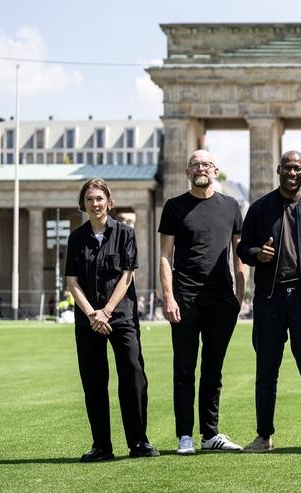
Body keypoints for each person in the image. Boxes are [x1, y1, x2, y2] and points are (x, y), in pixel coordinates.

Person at [237, 150, 301, 453]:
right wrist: (258, 254)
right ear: (278, 170)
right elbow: (243, 248)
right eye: (287, 168)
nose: (292, 173)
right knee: (266, 372)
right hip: (269, 300)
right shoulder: (259, 209)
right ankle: (264, 436)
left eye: (298, 168)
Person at [159, 150, 247, 455]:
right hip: (185, 297)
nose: (201, 168)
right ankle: (185, 435)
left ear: (215, 170)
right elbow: (164, 256)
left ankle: (211, 434)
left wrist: (240, 295)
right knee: (184, 367)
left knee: (213, 368)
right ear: (187, 171)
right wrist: (168, 296)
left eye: (206, 164)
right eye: (195, 164)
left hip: (222, 298)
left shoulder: (231, 206)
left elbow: (240, 255)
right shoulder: (174, 207)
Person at [65, 178, 158, 462]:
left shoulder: (126, 233)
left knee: (133, 377)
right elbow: (72, 281)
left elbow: (127, 275)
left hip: (121, 317)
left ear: (109, 201)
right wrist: (92, 313)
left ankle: (138, 443)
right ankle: (101, 446)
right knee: (94, 382)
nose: (95, 204)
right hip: (88, 320)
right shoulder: (76, 238)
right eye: (90, 199)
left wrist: (106, 311)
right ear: (83, 204)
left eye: (99, 198)